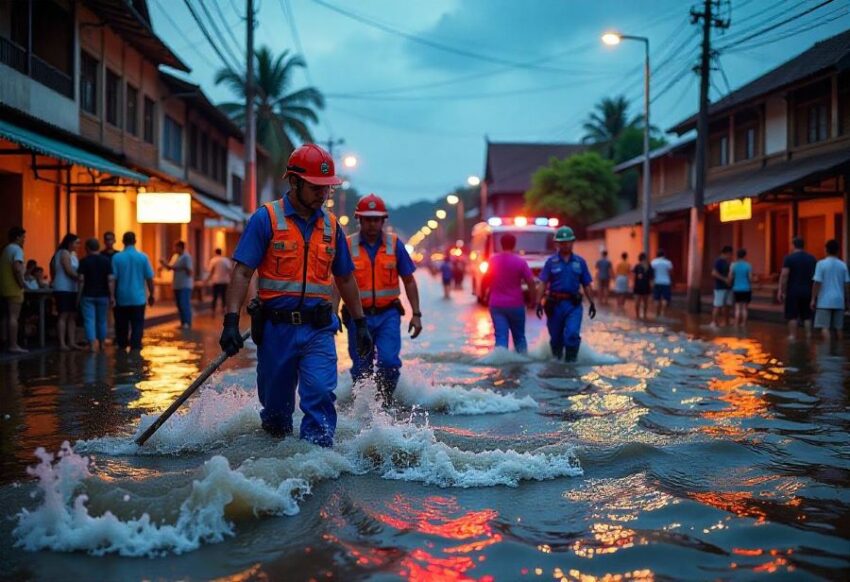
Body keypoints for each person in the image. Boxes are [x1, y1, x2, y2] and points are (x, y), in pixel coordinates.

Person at [219, 144, 372, 447]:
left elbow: (344, 277)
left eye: (327, 188)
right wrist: (231, 321)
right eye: (316, 187)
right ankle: (279, 453)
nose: (323, 195)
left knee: (320, 393)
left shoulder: (331, 227)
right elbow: (241, 272)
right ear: (294, 182)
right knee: (276, 414)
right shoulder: (266, 219)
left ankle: (316, 459)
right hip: (276, 330)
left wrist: (361, 322)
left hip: (318, 330)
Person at [345, 194, 422, 404]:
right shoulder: (348, 245)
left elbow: (409, 281)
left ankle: (385, 402)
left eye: (376, 219)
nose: (372, 224)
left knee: (388, 362)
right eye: (367, 219)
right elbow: (337, 283)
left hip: (388, 314)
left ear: (383, 220)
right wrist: (332, 315)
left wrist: (416, 314)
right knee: (362, 367)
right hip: (357, 317)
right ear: (359, 219)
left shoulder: (395, 245)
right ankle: (364, 408)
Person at [536, 226, 596, 362]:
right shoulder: (551, 262)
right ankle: (557, 363)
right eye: (561, 242)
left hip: (573, 305)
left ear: (573, 242)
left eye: (567, 242)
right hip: (554, 306)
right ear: (557, 243)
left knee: (572, 334)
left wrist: (592, 302)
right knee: (556, 338)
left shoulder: (580, 262)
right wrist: (538, 303)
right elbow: (543, 284)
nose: (565, 245)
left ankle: (571, 364)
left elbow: (586, 284)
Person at [487, 233, 537, 354]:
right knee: (519, 337)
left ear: (501, 244)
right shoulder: (520, 262)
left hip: (496, 305)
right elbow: (530, 282)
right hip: (516, 305)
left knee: (500, 336)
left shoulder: (492, 261)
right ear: (514, 245)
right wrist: (533, 300)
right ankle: (522, 365)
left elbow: (486, 280)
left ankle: (500, 363)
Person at [111, 231, 155, 350]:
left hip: (122, 298)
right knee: (137, 325)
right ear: (135, 241)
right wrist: (152, 294)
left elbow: (113, 279)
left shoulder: (117, 257)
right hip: (138, 298)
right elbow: (149, 278)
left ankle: (122, 348)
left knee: (121, 326)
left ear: (123, 242)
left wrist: (112, 296)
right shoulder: (143, 257)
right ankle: (135, 349)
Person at [77, 238, 115, 351]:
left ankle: (92, 344)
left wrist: (78, 296)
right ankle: (102, 343)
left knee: (89, 320)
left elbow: (81, 280)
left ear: (87, 248)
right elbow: (110, 280)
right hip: (103, 295)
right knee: (102, 320)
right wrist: (112, 295)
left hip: (88, 294)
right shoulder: (106, 261)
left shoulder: (84, 261)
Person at [777, 237, 817, 339]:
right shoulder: (812, 258)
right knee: (807, 315)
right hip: (807, 290)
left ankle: (792, 336)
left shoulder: (789, 258)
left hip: (793, 291)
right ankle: (808, 336)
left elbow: (785, 275)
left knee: (792, 315)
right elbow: (815, 277)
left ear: (793, 245)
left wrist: (781, 290)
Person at [811, 239, 850, 340]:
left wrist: (813, 298)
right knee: (839, 328)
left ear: (826, 250)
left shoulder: (821, 264)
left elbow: (817, 283)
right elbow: (847, 284)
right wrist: (847, 300)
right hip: (839, 300)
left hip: (824, 301)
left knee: (824, 327)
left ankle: (826, 351)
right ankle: (839, 350)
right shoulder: (843, 265)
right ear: (838, 251)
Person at [51, 233, 83, 351]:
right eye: (76, 243)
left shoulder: (73, 255)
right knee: (63, 315)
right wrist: (81, 278)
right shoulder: (63, 253)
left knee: (72, 316)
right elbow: (68, 270)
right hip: (63, 288)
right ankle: (62, 343)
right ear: (70, 243)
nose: (78, 245)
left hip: (72, 288)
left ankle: (72, 341)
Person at [0, 227, 27, 353]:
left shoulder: (6, 249)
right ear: (17, 237)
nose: (24, 240)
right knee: (13, 317)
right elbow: (17, 267)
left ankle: (4, 341)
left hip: (4, 287)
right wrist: (21, 283)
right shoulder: (17, 250)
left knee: (5, 316)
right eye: (23, 237)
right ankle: (14, 345)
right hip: (14, 288)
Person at [160, 240, 193, 328]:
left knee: (184, 303)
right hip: (177, 284)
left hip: (185, 285)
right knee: (179, 304)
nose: (174, 249)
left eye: (176, 247)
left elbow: (190, 272)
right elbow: (170, 267)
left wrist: (181, 268)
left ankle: (187, 322)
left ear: (181, 247)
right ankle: (183, 322)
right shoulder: (175, 257)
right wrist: (164, 263)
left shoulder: (186, 257)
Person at [205, 248, 233, 314]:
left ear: (215, 252)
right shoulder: (226, 260)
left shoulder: (213, 260)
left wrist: (206, 280)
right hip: (225, 281)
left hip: (216, 281)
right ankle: (223, 309)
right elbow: (230, 271)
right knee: (224, 296)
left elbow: (211, 272)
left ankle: (213, 310)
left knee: (215, 296)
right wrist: (231, 279)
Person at [711, 246, 734, 327]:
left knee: (727, 305)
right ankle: (714, 322)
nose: (731, 256)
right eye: (730, 254)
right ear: (727, 253)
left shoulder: (727, 262)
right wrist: (724, 279)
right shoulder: (718, 261)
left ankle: (726, 321)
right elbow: (714, 273)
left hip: (728, 287)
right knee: (718, 305)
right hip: (720, 287)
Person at [730, 248, 752, 327]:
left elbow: (730, 277)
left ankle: (736, 323)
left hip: (736, 288)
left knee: (737, 308)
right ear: (745, 256)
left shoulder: (734, 265)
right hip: (746, 288)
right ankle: (744, 323)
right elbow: (750, 278)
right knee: (744, 308)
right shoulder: (748, 265)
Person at [650, 249, 673, 318]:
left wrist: (652, 281)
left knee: (657, 298)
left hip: (657, 282)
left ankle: (657, 313)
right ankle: (663, 313)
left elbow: (652, 273)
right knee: (665, 298)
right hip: (666, 282)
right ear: (664, 255)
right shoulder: (668, 262)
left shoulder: (653, 262)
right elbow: (671, 272)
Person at [633, 252, 652, 321]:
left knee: (637, 301)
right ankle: (644, 315)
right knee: (645, 302)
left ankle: (637, 316)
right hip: (646, 286)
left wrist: (633, 285)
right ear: (645, 258)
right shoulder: (649, 266)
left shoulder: (637, 266)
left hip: (638, 286)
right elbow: (651, 277)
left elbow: (634, 276)